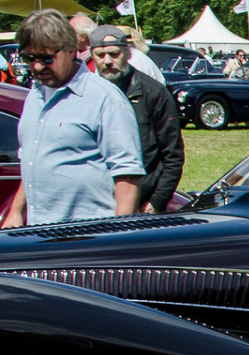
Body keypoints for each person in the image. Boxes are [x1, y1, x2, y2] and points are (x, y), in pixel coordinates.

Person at [3, 11, 143, 228]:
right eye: (30, 58)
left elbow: (128, 175)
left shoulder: (105, 98)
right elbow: (32, 162)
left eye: (47, 58)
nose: (38, 66)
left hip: (88, 236)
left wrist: (119, 234)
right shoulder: (34, 96)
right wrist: (16, 212)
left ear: (71, 51)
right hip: (39, 233)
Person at [89, 27, 181, 214]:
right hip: (97, 205)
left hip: (142, 204)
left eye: (114, 54)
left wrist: (157, 200)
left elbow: (173, 154)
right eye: (100, 55)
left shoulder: (153, 92)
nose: (107, 61)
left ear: (127, 53)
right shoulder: (85, 94)